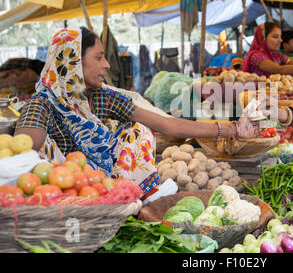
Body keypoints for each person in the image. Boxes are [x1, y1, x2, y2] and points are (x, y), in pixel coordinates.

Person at [14, 27, 262, 200]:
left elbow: (168, 125)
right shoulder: (41, 104)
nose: (107, 65)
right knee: (38, 150)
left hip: (105, 183)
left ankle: (134, 195)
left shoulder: (100, 96)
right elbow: (21, 154)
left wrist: (232, 128)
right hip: (66, 191)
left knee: (138, 131)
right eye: (99, 58)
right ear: (73, 62)